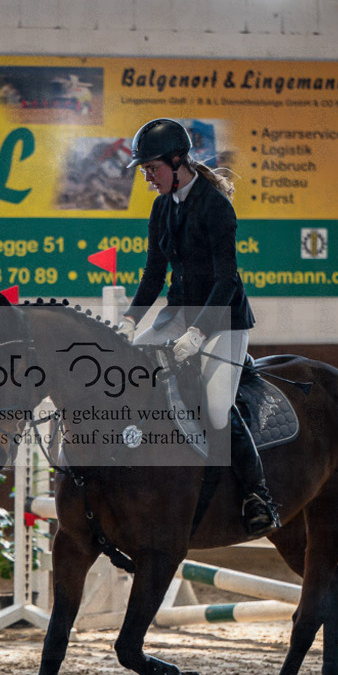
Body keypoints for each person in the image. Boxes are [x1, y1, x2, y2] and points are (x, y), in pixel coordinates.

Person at [120, 118, 280, 538]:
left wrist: (198, 334)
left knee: (214, 407)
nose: (148, 178)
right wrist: (130, 320)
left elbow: (227, 280)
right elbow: (154, 274)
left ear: (177, 162)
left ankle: (256, 494)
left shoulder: (214, 205)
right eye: (144, 171)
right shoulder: (161, 207)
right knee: (129, 371)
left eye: (151, 169)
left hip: (223, 318)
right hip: (178, 314)